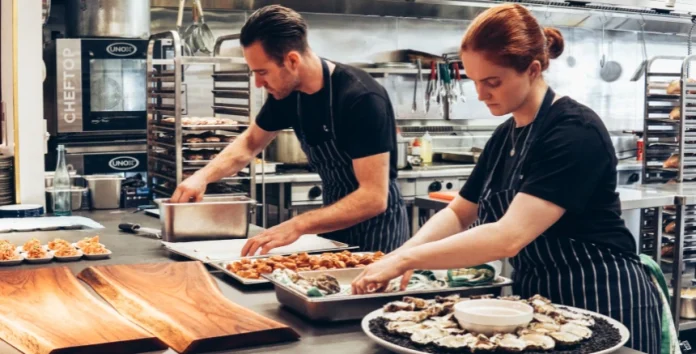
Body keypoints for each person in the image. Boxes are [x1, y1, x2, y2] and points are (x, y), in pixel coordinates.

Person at [351, 4, 661, 352]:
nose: (481, 94)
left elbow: (508, 237)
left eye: (492, 82)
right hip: (539, 303)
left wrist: (407, 260)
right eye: (475, 82)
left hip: (603, 295)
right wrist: (401, 253)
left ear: (532, 70)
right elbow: (458, 213)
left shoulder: (574, 131)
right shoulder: (505, 136)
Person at [170, 5, 410, 256]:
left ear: (292, 60)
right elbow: (250, 143)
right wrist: (202, 177)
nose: (258, 83)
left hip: (378, 233)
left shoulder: (360, 98)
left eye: (263, 72)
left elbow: (373, 197)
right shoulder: (287, 95)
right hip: (332, 225)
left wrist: (298, 225)